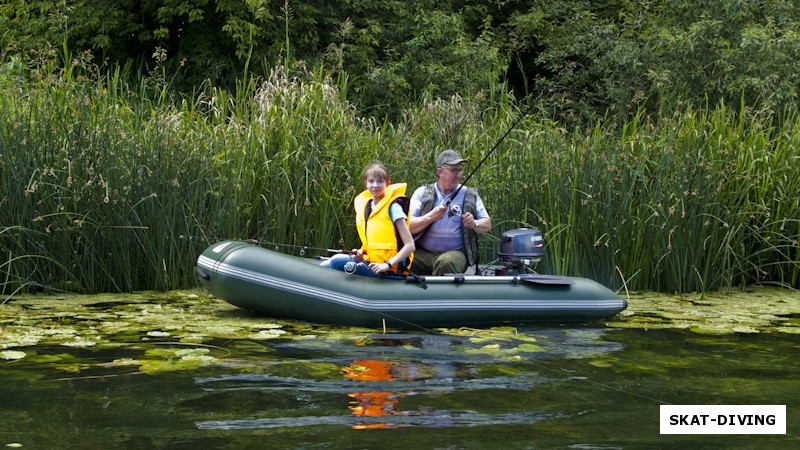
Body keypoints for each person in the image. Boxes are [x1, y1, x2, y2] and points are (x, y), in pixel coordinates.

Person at [408, 149, 491, 275]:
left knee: (446, 263)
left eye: (460, 170)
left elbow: (487, 224)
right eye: (454, 170)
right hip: (422, 253)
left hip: (455, 253)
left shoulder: (469, 194)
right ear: (440, 172)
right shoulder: (422, 192)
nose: (459, 175)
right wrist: (431, 217)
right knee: (400, 258)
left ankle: (435, 294)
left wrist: (473, 224)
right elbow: (409, 226)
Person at [324, 162, 415, 277]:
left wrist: (387, 264)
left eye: (380, 181)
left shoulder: (394, 208)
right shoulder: (368, 208)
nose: (375, 185)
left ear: (388, 184)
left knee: (336, 261)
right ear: (366, 184)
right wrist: (361, 253)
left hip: (388, 269)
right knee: (325, 264)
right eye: (371, 181)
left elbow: (410, 245)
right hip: (371, 262)